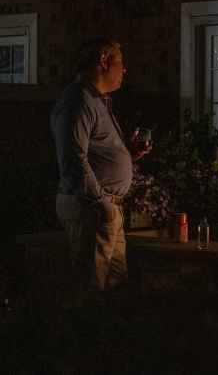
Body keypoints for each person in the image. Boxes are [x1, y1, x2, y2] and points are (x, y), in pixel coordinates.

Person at [51, 37, 151, 293]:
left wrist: (129, 156)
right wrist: (103, 204)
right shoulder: (79, 101)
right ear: (103, 62)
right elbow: (73, 160)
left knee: (115, 286)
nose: (125, 70)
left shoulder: (98, 101)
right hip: (92, 210)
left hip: (105, 211)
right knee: (90, 288)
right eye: (121, 63)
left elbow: (95, 152)